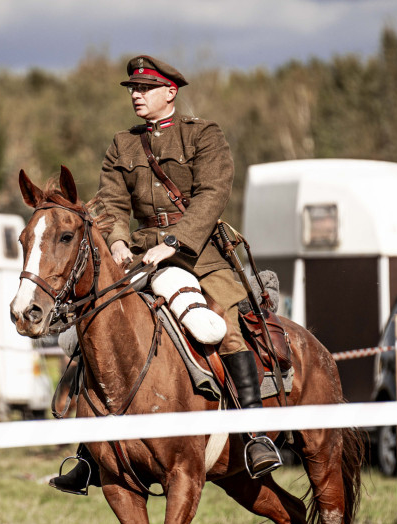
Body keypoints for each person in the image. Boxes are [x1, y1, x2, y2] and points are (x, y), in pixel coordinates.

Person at [49, 55, 282, 495]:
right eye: (132, 89)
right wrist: (118, 239)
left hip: (202, 256)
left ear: (170, 92)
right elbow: (113, 203)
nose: (136, 95)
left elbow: (212, 195)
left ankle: (255, 437)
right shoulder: (123, 145)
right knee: (95, 329)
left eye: (144, 88)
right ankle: (88, 453)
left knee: (225, 329)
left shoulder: (204, 135)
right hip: (138, 256)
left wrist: (173, 242)